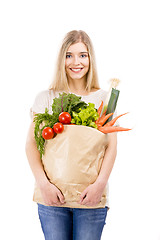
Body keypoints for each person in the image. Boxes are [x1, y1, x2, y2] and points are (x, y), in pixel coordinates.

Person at [25, 30, 117, 240]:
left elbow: (111, 146)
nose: (76, 62)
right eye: (69, 55)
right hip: (52, 198)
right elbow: (31, 144)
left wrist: (99, 185)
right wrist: (44, 185)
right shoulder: (46, 98)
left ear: (90, 59)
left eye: (83, 55)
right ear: (61, 60)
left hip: (91, 198)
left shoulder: (104, 98)